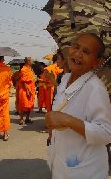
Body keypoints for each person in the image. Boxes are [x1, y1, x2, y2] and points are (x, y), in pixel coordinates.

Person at [46, 33, 111, 179]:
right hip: (62, 163)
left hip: (86, 171)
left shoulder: (96, 89)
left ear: (98, 62)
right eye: (76, 46)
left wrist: (68, 121)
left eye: (86, 52)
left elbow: (106, 133)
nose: (78, 53)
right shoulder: (65, 79)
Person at [18, 57, 36, 125]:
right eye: (31, 61)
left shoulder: (30, 69)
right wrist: (27, 90)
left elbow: (32, 78)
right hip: (25, 89)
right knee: (23, 104)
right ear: (28, 61)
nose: (32, 62)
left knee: (30, 104)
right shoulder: (24, 69)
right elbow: (24, 81)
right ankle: (21, 119)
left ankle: (27, 118)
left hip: (31, 89)